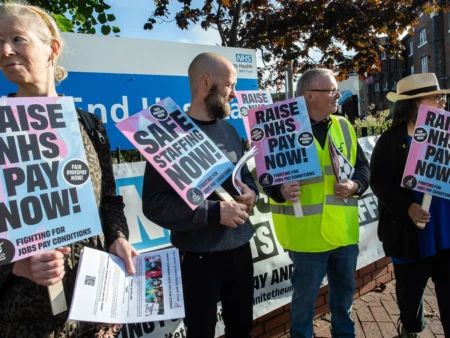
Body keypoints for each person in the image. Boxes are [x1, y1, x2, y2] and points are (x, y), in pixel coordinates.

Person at [0, 3, 137, 337]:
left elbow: (109, 201)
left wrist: (117, 238)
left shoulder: (88, 125)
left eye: (18, 39)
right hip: (27, 322)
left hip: (95, 311)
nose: (5, 50)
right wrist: (14, 263)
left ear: (53, 48)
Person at [142, 52, 258, 338]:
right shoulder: (166, 137)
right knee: (201, 332)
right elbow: (155, 205)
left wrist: (250, 192)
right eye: (229, 85)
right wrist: (215, 212)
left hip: (240, 250)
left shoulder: (230, 131)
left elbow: (242, 175)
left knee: (242, 328)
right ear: (206, 82)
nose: (234, 92)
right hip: (198, 259)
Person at [265, 68, 370, 338]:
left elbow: (362, 169)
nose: (338, 95)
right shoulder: (280, 129)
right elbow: (262, 177)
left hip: (344, 233)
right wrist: (279, 189)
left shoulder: (344, 125)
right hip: (306, 236)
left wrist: (355, 185)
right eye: (332, 90)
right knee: (303, 306)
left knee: (344, 301)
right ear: (310, 95)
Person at [370, 73, 450, 338]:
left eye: (442, 97)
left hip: (445, 230)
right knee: (410, 292)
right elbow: (379, 182)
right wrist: (407, 207)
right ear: (412, 104)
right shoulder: (390, 141)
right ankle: (411, 328)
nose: (442, 103)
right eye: (435, 98)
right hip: (409, 231)